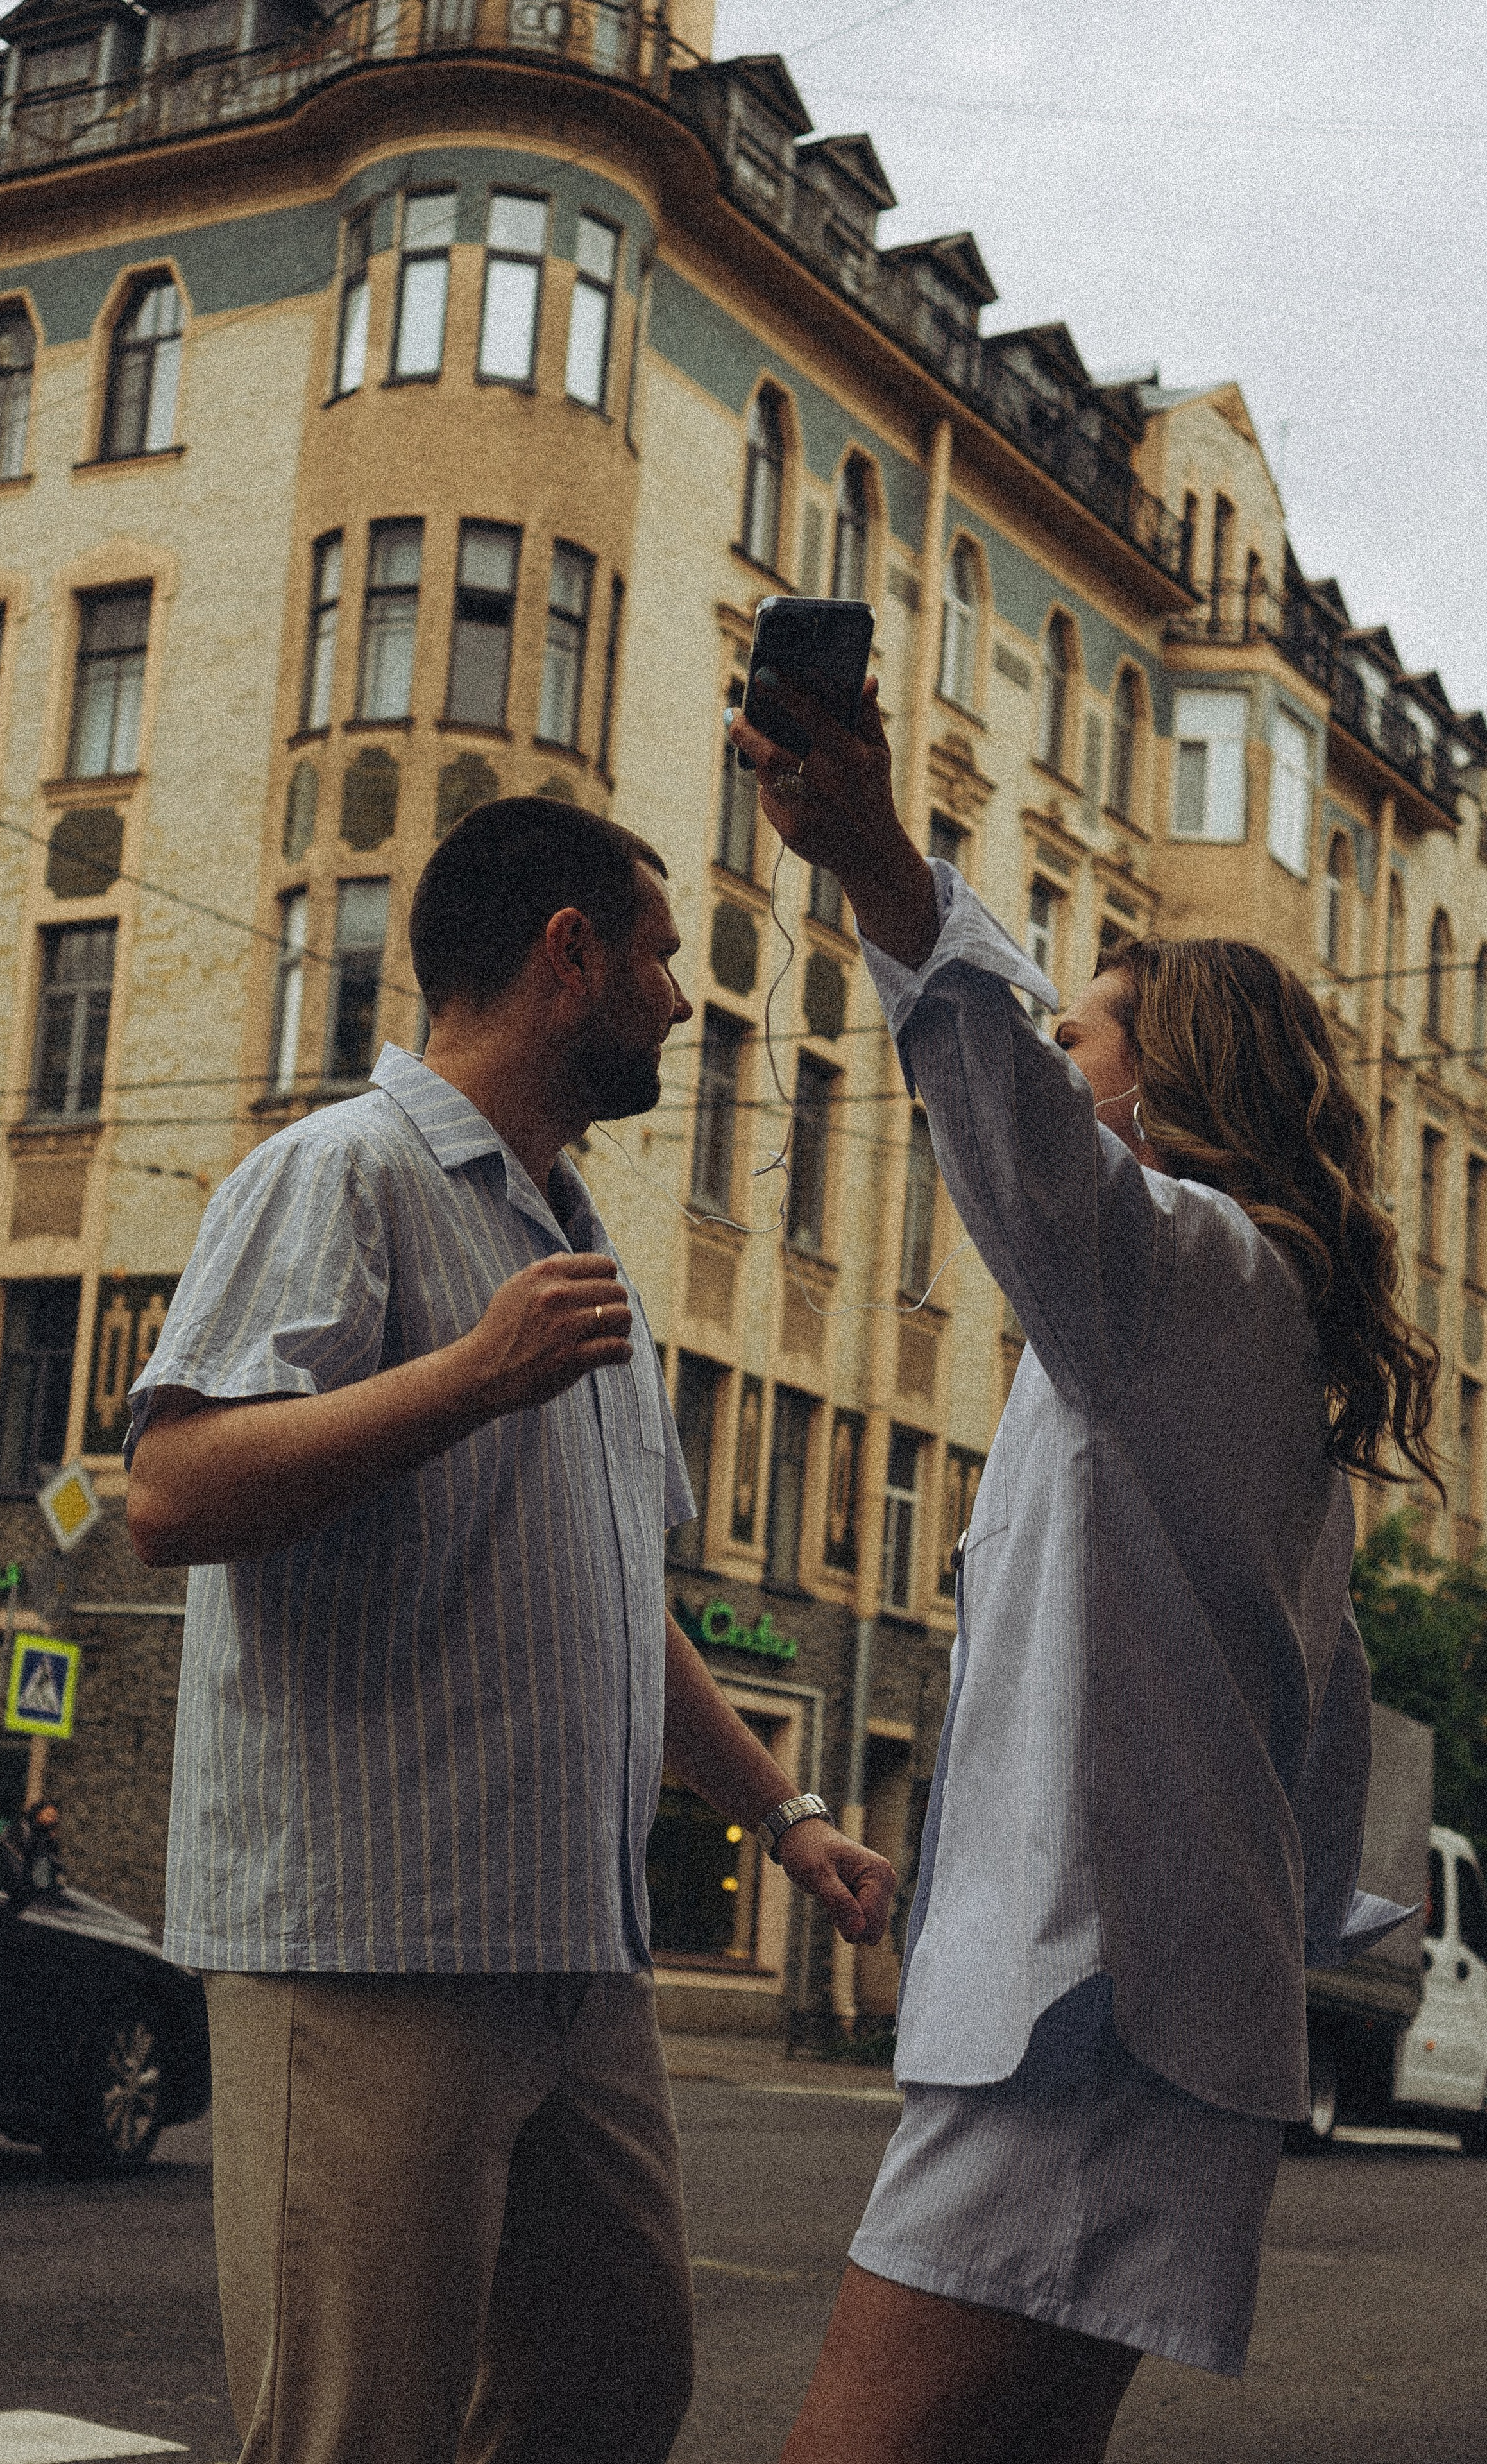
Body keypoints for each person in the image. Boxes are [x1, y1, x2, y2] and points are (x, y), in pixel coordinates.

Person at [124, 795, 896, 2464]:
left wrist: (785, 1813)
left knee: (611, 2386)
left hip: (573, 1956)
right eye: (661, 960)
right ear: (570, 956)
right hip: (373, 1944)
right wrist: (470, 1376)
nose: (681, 1001)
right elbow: (171, 1493)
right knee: (358, 2431)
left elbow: (617, 1596)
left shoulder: (573, 1231)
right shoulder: (340, 1171)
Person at [728, 677, 1431, 2464]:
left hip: (1082, 2021)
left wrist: (879, 858)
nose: (1054, 1067)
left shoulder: (1186, 1274)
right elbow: (1327, 1745)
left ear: (1160, 1088)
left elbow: (1012, 1132)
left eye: (1082, 1041)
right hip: (1157, 2019)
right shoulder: (1250, 1336)